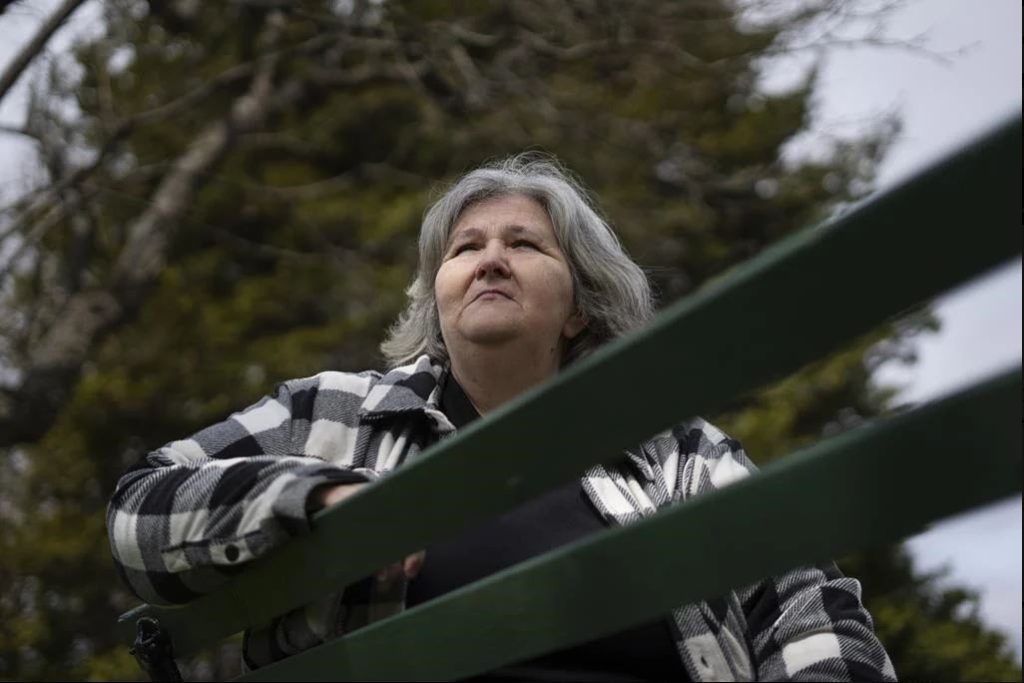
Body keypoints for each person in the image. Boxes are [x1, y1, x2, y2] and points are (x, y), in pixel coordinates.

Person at [107, 154, 896, 681]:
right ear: (439, 297)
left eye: (524, 244)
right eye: (465, 248)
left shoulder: (676, 454)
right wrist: (315, 500)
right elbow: (138, 511)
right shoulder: (335, 413)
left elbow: (809, 607)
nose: (489, 258)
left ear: (579, 309)